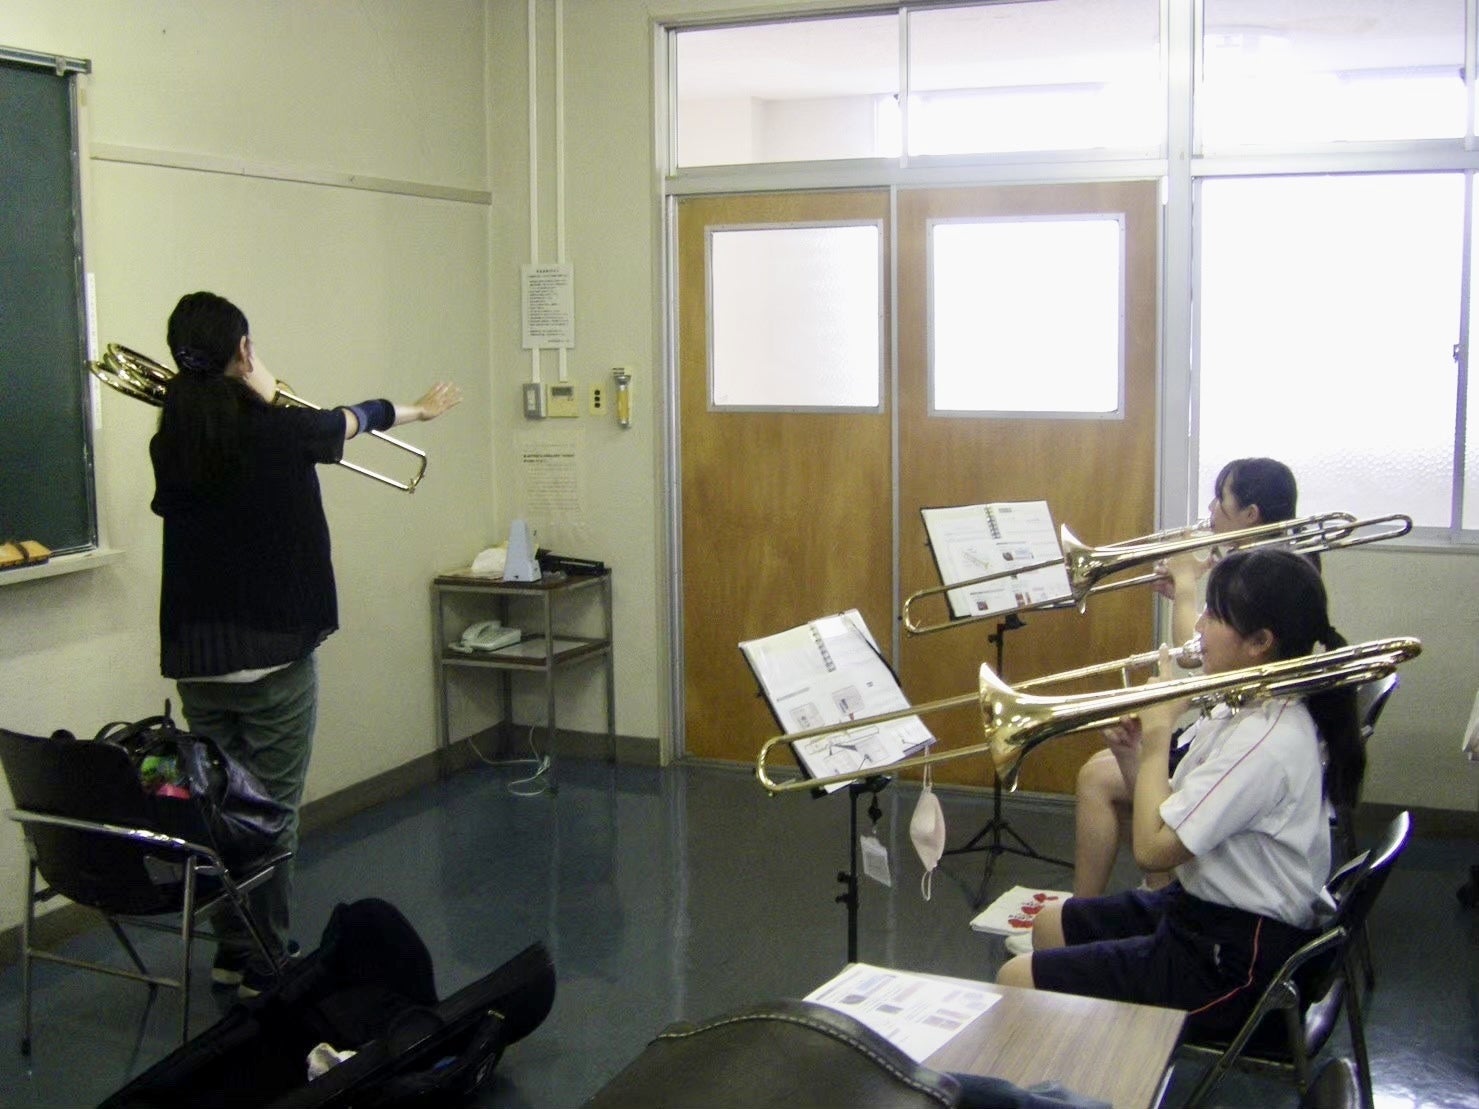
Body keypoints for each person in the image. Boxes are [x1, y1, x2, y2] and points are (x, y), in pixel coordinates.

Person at [149, 290, 462, 996]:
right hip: (273, 654)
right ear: (244, 351)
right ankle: (267, 961)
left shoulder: (170, 443)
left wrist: (244, 378)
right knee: (271, 812)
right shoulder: (282, 432)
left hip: (199, 659)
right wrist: (417, 410)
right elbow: (355, 417)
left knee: (219, 809)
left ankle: (233, 950)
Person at [997, 547, 1363, 1041]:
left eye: (1215, 616)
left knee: (1014, 979)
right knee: (1049, 924)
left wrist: (1158, 737)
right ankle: (1089, 1059)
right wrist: (1133, 755)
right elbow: (1170, 812)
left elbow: (1153, 853)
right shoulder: (1240, 707)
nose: (1199, 627)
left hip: (1233, 963)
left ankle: (1094, 1069)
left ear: (1260, 642)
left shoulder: (1267, 742)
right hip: (1198, 911)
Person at [1069, 457, 1300, 902]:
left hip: (1233, 735)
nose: (1210, 510)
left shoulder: (1264, 573)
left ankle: (1098, 910)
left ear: (1251, 514)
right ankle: (1148, 893)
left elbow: (1195, 656)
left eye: (1220, 500)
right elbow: (1205, 644)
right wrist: (1186, 591)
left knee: (1096, 777)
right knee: (1107, 766)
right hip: (1226, 725)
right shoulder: (1264, 567)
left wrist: (1187, 583)